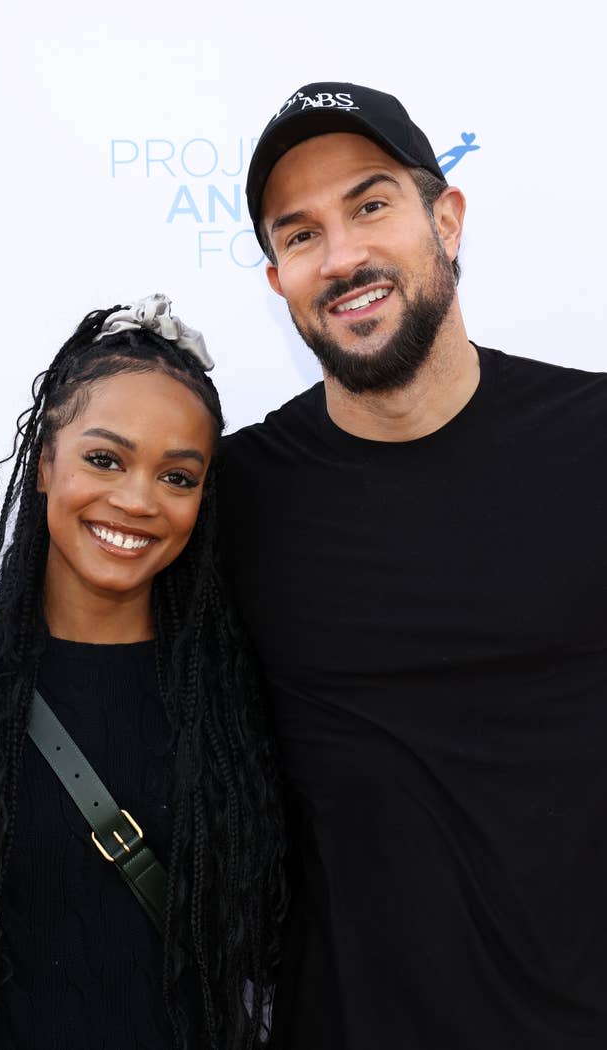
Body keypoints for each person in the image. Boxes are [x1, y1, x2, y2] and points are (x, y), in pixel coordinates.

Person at [218, 82, 607, 1049]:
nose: (342, 256)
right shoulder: (236, 498)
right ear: (278, 282)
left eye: (370, 204)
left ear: (448, 218)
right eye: (299, 234)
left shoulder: (595, 441)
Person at [0, 294, 287, 1050]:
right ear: (46, 463)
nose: (137, 500)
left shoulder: (236, 694)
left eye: (178, 477)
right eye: (105, 459)